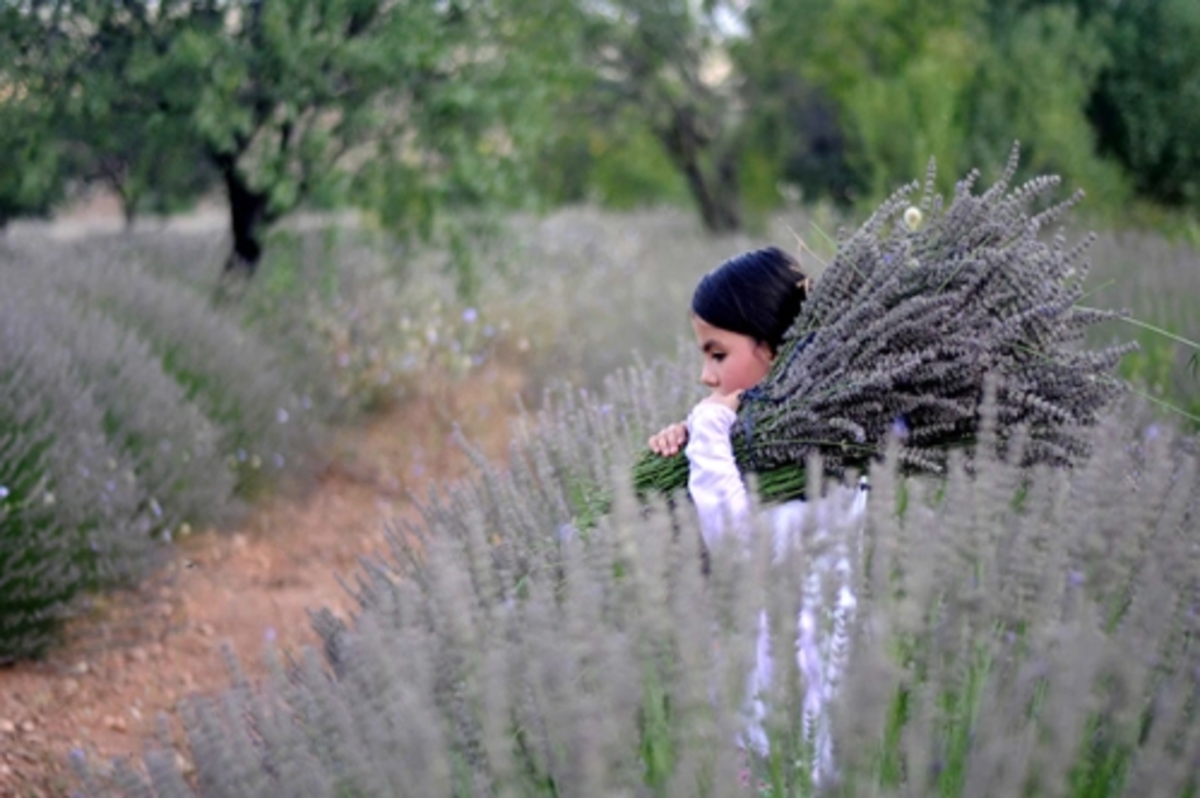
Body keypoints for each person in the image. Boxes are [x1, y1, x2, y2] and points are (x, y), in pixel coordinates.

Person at [647, 246, 866, 787]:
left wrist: (709, 434)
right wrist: (686, 448)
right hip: (758, 709)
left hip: (798, 721)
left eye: (717, 354)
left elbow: (740, 551)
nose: (704, 374)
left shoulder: (829, 455)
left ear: (773, 349)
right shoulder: (774, 445)